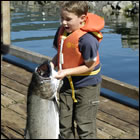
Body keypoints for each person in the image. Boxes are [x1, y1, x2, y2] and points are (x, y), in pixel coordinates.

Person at [51, 1, 105, 139]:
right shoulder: (61, 31)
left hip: (87, 86)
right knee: (64, 122)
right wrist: (52, 64)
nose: (63, 23)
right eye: (62, 18)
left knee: (84, 125)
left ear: (82, 18)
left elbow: (90, 66)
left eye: (68, 19)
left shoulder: (88, 40)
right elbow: (62, 52)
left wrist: (65, 72)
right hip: (67, 84)